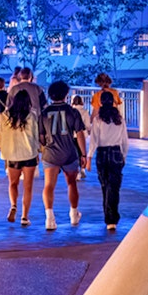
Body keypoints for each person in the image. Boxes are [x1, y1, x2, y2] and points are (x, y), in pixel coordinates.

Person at [38, 80, 87, 230]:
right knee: (71, 183)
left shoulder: (44, 113)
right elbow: (80, 134)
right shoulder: (73, 112)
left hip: (51, 154)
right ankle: (74, 214)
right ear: (66, 94)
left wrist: (45, 147)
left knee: (49, 185)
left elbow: (41, 137)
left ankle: (49, 218)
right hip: (69, 153)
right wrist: (83, 154)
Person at [85, 92, 128, 231]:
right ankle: (112, 218)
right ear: (113, 102)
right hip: (116, 153)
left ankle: (108, 217)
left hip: (102, 153)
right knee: (114, 187)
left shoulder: (98, 119)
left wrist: (89, 158)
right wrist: (124, 156)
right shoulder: (119, 119)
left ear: (101, 103)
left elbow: (93, 140)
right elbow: (124, 140)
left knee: (105, 185)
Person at [0, 89, 41, 226]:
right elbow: (35, 136)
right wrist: (38, 152)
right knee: (28, 187)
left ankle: (13, 205)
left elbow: (0, 135)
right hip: (29, 154)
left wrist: (1, 147)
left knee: (13, 183)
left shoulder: (4, 116)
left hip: (12, 154)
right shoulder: (32, 116)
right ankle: (24, 217)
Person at [71, 95, 93, 179]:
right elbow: (87, 125)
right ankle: (82, 170)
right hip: (82, 135)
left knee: (74, 153)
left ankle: (76, 172)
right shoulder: (85, 112)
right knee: (82, 152)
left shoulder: (70, 111)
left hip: (72, 135)